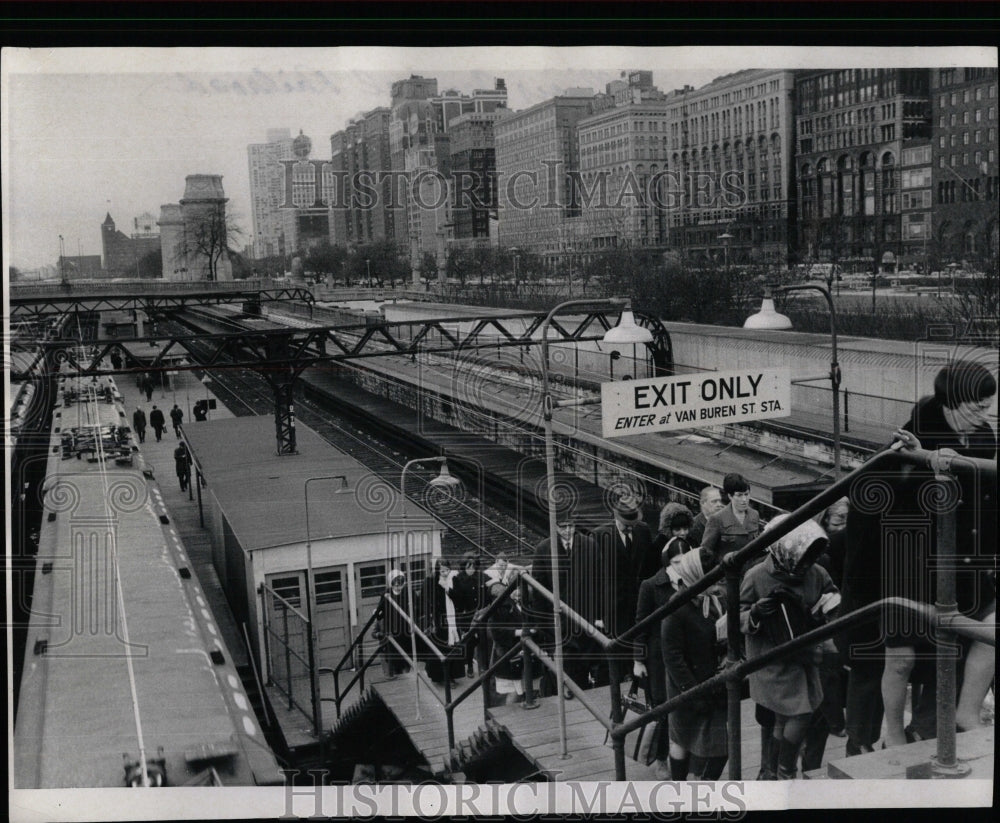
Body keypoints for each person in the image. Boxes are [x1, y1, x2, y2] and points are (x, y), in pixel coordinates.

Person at [875, 360, 997, 747]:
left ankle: (967, 712)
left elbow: (987, 502)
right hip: (909, 561)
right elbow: (886, 503)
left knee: (989, 629)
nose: (983, 415)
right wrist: (925, 457)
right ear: (950, 402)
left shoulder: (984, 437)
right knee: (902, 659)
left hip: (962, 562)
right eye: (975, 407)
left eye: (986, 406)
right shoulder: (910, 436)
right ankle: (894, 735)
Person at [741, 516, 840, 780]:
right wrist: (755, 613)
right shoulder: (756, 576)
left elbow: (831, 593)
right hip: (773, 659)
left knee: (786, 718)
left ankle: (775, 771)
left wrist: (828, 606)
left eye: (811, 557)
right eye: (803, 556)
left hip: (807, 654)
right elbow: (736, 617)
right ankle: (785, 770)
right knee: (800, 712)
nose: (807, 564)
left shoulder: (816, 573)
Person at [567, 493, 648, 688]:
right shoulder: (599, 536)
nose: (629, 528)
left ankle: (636, 686)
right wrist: (596, 614)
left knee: (637, 649)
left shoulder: (643, 531)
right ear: (615, 516)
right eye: (625, 524)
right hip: (612, 608)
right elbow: (590, 579)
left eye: (632, 524)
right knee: (613, 655)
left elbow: (647, 566)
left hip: (638, 604)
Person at [662, 547, 729, 780]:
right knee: (682, 739)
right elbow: (673, 657)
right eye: (709, 579)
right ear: (695, 577)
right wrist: (693, 693)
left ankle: (704, 785)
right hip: (687, 687)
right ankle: (680, 786)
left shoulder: (714, 600)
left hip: (713, 683)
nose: (717, 584)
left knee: (721, 745)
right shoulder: (676, 609)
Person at [633, 536, 688, 779]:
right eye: (676, 562)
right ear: (667, 562)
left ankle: (683, 752)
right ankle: (661, 757)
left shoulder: (692, 581)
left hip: (684, 654)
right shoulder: (651, 586)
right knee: (662, 709)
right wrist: (638, 660)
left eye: (684, 562)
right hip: (658, 658)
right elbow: (641, 625)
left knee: (684, 705)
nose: (680, 567)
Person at [528, 510, 583, 698]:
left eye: (571, 526)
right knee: (560, 661)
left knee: (580, 662)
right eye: (563, 527)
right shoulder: (544, 549)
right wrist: (543, 623)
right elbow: (538, 590)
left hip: (581, 617)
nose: (568, 531)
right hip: (556, 620)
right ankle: (562, 692)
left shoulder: (585, 545)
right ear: (555, 527)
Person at [487, 580, 540, 705]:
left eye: (520, 589)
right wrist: (521, 632)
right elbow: (497, 632)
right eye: (515, 589)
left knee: (531, 689)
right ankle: (509, 720)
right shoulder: (500, 607)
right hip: (511, 653)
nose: (518, 593)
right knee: (515, 692)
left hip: (527, 652)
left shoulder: (527, 603)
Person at [417, 558, 466, 685]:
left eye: (447, 570)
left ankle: (452, 675)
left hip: (452, 618)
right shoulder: (430, 582)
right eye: (442, 571)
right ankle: (441, 677)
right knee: (441, 647)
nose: (445, 573)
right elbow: (425, 601)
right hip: (438, 620)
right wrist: (429, 619)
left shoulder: (454, 580)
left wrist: (448, 589)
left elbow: (460, 598)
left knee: (453, 647)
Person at [701, 473, 762, 569]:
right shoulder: (717, 519)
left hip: (749, 575)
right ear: (730, 496)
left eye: (746, 494)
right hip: (727, 577)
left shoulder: (754, 515)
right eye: (739, 495)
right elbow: (706, 553)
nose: (744, 499)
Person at [451, 551, 487, 678]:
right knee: (470, 642)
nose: (471, 570)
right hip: (467, 615)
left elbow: (489, 585)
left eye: (473, 567)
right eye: (468, 567)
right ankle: (470, 666)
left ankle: (483, 666)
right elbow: (458, 599)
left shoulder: (480, 576)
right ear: (464, 567)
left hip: (480, 614)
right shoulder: (458, 579)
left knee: (482, 640)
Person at [375, 569, 412, 678]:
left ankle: (406, 677)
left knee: (407, 658)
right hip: (393, 631)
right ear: (391, 584)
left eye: (400, 584)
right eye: (395, 585)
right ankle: (396, 675)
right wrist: (377, 614)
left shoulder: (408, 593)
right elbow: (379, 613)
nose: (398, 587)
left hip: (406, 631)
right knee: (395, 659)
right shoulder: (386, 595)